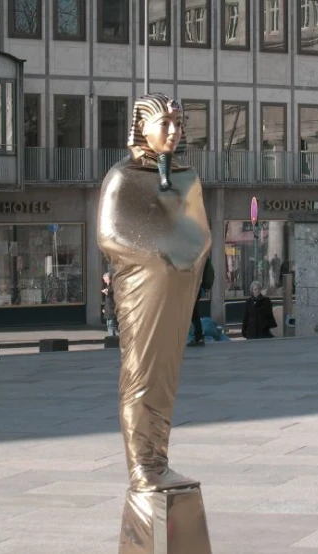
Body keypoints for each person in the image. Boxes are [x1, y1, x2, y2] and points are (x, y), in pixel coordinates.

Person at [97, 93, 212, 550]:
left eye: (178, 124)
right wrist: (160, 254)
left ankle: (159, 459)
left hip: (177, 286)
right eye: (165, 123)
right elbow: (111, 234)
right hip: (144, 287)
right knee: (141, 371)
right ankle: (141, 466)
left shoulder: (185, 177)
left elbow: (199, 232)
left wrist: (184, 255)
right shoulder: (123, 176)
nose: (173, 132)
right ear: (140, 128)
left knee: (166, 374)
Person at [188, 258, 215, 347]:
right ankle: (198, 337)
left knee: (193, 313)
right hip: (198, 288)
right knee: (193, 312)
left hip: (195, 288)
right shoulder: (203, 258)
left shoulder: (198, 258)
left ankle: (198, 337)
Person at [102, 272, 118, 337]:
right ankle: (112, 339)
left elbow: (112, 295)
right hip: (109, 310)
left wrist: (107, 291)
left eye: (105, 280)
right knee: (109, 325)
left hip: (112, 311)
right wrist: (104, 308)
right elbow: (108, 300)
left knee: (111, 326)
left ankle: (113, 341)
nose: (105, 282)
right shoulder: (109, 286)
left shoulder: (113, 286)